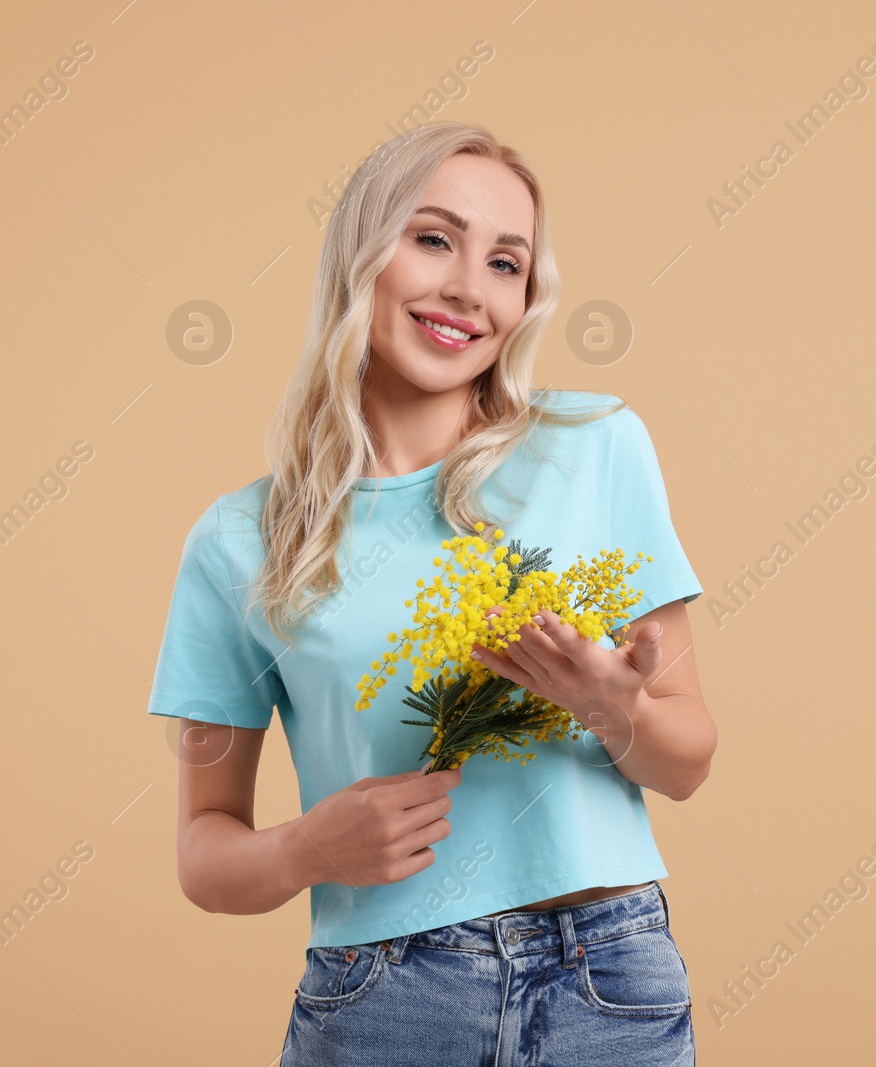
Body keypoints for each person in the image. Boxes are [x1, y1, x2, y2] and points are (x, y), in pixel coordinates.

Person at [146, 121, 714, 1065]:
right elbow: (204, 855)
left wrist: (614, 708)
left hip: (609, 984)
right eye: (434, 239)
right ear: (363, 252)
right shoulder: (240, 541)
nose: (466, 289)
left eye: (505, 263)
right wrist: (305, 850)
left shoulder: (597, 446)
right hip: (384, 998)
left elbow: (689, 760)